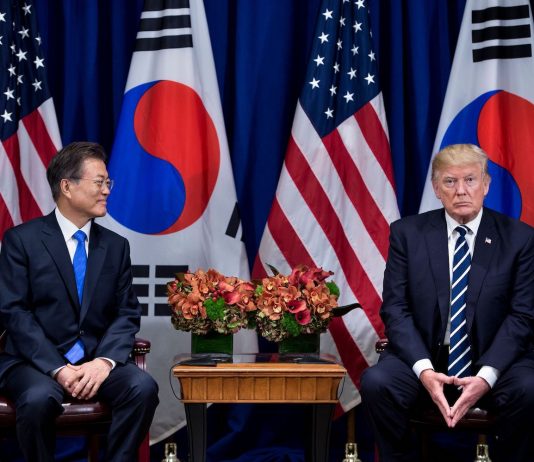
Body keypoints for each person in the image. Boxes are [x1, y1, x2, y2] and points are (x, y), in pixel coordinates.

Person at [361, 144, 534, 462]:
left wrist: (485, 377)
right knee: (377, 383)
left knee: (529, 387)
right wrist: (425, 371)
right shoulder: (407, 234)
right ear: (436, 188)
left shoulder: (519, 238)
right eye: (450, 181)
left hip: (494, 360)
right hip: (426, 357)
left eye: (470, 180)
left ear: (486, 184)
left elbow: (522, 315)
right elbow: (395, 309)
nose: (461, 191)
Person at [0, 142, 159, 462]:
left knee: (142, 388)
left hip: (95, 360)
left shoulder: (116, 246)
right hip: (34, 363)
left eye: (108, 183)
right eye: (99, 182)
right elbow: (15, 312)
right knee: (38, 398)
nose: (107, 191)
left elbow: (126, 312)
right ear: (67, 187)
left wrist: (104, 362)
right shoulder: (22, 241)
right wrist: (58, 368)